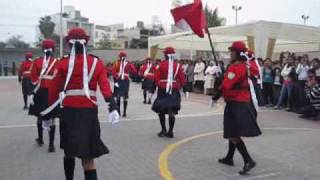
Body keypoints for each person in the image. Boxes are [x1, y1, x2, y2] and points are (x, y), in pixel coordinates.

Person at [45, 28, 118, 180]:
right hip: (89, 113)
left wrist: (48, 113)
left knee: (68, 152)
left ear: (69, 45)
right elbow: (105, 86)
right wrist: (112, 105)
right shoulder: (96, 63)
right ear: (86, 43)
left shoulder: (62, 64)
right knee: (88, 157)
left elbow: (53, 89)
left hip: (69, 112)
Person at [213, 41, 261, 175]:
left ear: (237, 53)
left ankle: (248, 160)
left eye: (232, 51)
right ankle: (229, 158)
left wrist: (215, 96)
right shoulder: (245, 65)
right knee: (232, 132)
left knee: (233, 133)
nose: (230, 53)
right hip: (240, 102)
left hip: (236, 103)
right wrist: (222, 74)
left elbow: (227, 85)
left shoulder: (237, 67)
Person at [29, 39, 58, 153]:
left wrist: (32, 92)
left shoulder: (36, 62)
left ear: (42, 49)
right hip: (52, 92)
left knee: (39, 116)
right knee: (52, 118)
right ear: (53, 49)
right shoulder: (57, 62)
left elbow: (33, 78)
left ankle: (40, 139)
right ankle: (51, 145)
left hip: (40, 92)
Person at [152, 47, 186, 138]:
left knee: (161, 110)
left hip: (163, 88)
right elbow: (182, 79)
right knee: (171, 111)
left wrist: (159, 84)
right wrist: (178, 86)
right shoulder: (178, 65)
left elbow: (156, 77)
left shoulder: (161, 65)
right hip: (174, 89)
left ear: (166, 55)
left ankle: (163, 130)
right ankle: (170, 131)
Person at [112, 51, 138, 117]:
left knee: (118, 97)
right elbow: (134, 71)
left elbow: (113, 72)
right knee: (125, 97)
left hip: (118, 80)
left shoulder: (116, 63)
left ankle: (118, 112)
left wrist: (115, 81)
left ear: (120, 56)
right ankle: (124, 112)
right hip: (125, 81)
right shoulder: (129, 63)